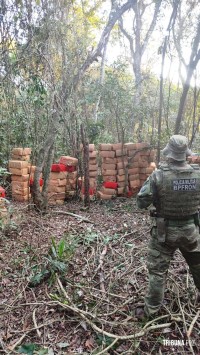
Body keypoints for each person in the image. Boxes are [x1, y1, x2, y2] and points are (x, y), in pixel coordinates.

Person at [136, 135, 200, 318]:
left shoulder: (159, 175)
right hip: (191, 230)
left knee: (157, 271)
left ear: (170, 154)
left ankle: (151, 311)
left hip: (165, 233)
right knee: (197, 264)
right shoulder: (197, 173)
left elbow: (142, 201)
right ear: (185, 153)